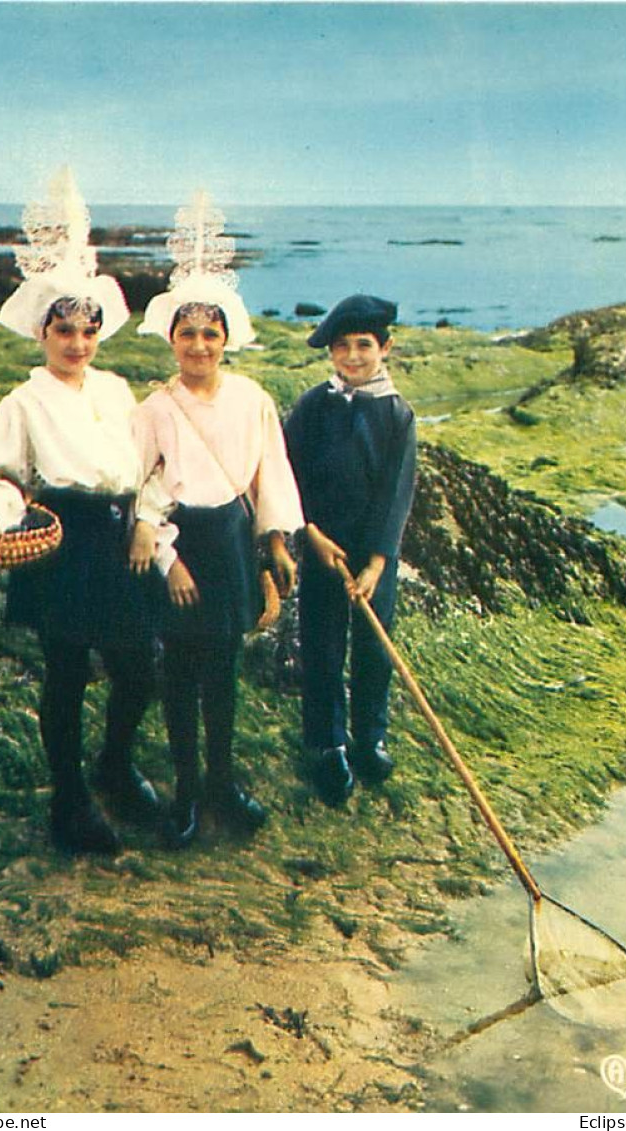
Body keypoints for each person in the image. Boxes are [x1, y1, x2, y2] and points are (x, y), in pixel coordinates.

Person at [0, 168, 169, 855]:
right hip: (62, 546)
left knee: (140, 671)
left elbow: (151, 464)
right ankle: (70, 802)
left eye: (87, 329)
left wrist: (144, 520)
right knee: (68, 676)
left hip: (120, 542)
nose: (77, 342)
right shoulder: (26, 401)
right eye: (64, 329)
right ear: (42, 332)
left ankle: (115, 763)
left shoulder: (117, 387)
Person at [133, 196, 303, 847]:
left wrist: (275, 543)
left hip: (232, 540)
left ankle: (222, 782)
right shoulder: (157, 407)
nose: (199, 345)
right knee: (179, 671)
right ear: (170, 338)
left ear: (226, 338)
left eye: (210, 333)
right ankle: (183, 790)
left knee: (223, 670)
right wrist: (166, 560)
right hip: (184, 545)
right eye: (187, 333)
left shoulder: (251, 399)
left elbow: (270, 472)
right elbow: (142, 484)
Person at [284, 294, 417, 805]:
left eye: (364, 346)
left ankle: (369, 737)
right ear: (331, 353)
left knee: (373, 648)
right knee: (322, 645)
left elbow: (396, 492)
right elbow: (287, 474)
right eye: (343, 347)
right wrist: (309, 533)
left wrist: (379, 561)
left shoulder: (397, 414)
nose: (354, 357)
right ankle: (327, 744)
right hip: (322, 549)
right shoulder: (314, 406)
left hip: (371, 557)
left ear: (385, 347)